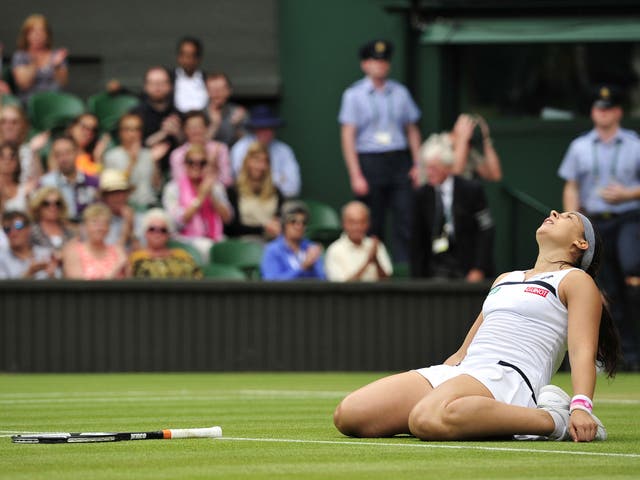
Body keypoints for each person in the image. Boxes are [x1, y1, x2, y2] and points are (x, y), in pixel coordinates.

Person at [334, 210, 620, 443]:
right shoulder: (504, 278)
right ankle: (463, 415)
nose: (555, 213)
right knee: (349, 415)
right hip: (467, 372)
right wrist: (445, 375)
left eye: (568, 218)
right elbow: (465, 350)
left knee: (426, 418)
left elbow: (582, 349)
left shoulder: (576, 281)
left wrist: (582, 407)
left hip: (509, 378)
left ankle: (553, 420)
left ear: (580, 245)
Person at [558, 85, 640, 370]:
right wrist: (574, 218)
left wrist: (628, 194)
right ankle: (618, 354)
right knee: (606, 288)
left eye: (607, 109)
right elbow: (572, 186)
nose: (601, 114)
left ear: (617, 112)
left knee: (631, 270)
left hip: (629, 218)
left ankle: (633, 348)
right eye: (597, 109)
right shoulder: (580, 146)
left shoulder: (633, 144)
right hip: (594, 221)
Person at [338, 39, 422, 262]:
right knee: (372, 221)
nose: (380, 65)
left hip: (398, 160)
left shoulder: (400, 93)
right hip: (370, 161)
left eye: (384, 61)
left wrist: (418, 163)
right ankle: (373, 269)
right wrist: (355, 174)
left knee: (406, 218)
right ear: (365, 65)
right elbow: (348, 136)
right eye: (375, 61)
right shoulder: (353, 95)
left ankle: (406, 270)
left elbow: (411, 129)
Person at [410, 135, 495, 282]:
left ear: (447, 167)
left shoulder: (471, 190)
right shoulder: (422, 195)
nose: (429, 173)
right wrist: (418, 278)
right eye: (427, 168)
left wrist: (478, 268)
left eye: (434, 168)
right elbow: (417, 239)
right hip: (436, 267)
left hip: (468, 265)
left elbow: (486, 230)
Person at [162, 144, 233, 262]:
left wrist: (211, 196)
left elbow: (227, 218)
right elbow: (178, 221)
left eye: (202, 163)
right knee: (207, 247)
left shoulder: (215, 186)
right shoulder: (173, 188)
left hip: (215, 238)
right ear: (184, 164)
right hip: (185, 241)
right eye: (191, 162)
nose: (196, 166)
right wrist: (200, 197)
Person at [230, 105, 301, 198]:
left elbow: (293, 188)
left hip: (278, 202)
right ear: (253, 129)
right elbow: (242, 184)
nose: (267, 132)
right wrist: (279, 178)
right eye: (261, 128)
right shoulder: (240, 148)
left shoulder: (284, 150)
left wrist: (262, 180)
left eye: (270, 128)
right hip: (247, 202)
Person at [225, 141, 283, 242]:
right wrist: (263, 228)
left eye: (264, 161)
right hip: (245, 244)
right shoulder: (234, 191)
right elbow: (231, 229)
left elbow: (281, 219)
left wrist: (278, 225)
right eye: (256, 160)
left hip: (272, 242)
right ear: (247, 162)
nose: (260, 166)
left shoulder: (276, 191)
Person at [420, 114, 502, 184]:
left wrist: (486, 140)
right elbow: (454, 177)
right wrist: (463, 139)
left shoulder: (469, 151)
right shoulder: (436, 145)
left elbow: (495, 175)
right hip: (433, 199)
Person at [103, 113, 161, 210]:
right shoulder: (111, 156)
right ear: (120, 132)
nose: (132, 134)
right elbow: (115, 190)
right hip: (126, 208)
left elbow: (157, 187)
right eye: (128, 129)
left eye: (136, 129)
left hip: (150, 206)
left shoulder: (149, 154)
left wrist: (155, 163)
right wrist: (132, 161)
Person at [130, 66, 182, 175]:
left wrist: (178, 134)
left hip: (177, 172)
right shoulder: (135, 115)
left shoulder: (179, 114)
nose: (158, 87)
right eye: (153, 83)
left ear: (170, 86)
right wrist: (163, 133)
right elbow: (129, 147)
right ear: (145, 87)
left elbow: (191, 147)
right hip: (142, 170)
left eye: (162, 83)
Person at [325, 200, 392, 281]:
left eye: (362, 222)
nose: (357, 227)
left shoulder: (376, 246)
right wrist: (367, 262)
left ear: (368, 224)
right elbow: (342, 288)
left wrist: (376, 261)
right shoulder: (334, 250)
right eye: (352, 222)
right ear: (343, 223)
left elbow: (387, 281)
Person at [39, 135, 99, 222]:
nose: (63, 158)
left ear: (77, 152)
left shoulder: (92, 182)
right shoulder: (46, 183)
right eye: (58, 154)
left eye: (68, 153)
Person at [128, 208, 202, 279]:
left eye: (163, 230)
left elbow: (198, 279)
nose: (157, 234)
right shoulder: (136, 258)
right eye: (152, 229)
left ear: (168, 234)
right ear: (145, 232)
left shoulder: (182, 255)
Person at [11, 14, 69, 104]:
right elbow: (24, 85)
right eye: (33, 32)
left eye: (42, 32)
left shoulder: (56, 55)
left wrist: (57, 66)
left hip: (54, 100)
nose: (38, 36)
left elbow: (63, 83)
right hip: (29, 102)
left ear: (48, 35)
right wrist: (34, 63)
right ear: (26, 36)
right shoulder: (20, 56)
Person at [260, 201, 325, 280]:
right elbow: (271, 282)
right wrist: (303, 267)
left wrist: (312, 267)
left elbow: (322, 280)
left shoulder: (311, 249)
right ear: (284, 224)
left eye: (303, 223)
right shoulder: (273, 250)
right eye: (293, 222)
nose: (299, 226)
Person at [62, 202, 127, 280]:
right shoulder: (74, 251)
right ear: (85, 225)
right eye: (94, 222)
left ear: (109, 228)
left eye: (104, 223)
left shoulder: (117, 251)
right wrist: (117, 267)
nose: (99, 228)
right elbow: (78, 286)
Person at [169, 110, 232, 186]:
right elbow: (178, 182)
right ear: (185, 130)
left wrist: (213, 170)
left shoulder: (220, 149)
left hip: (214, 193)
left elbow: (227, 181)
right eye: (191, 127)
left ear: (206, 128)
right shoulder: (177, 154)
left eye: (199, 126)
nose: (196, 131)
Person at [0, 210, 59, 279]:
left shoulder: (46, 254)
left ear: (29, 228)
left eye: (18, 226)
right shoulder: (1, 258)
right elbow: (4, 288)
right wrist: (30, 273)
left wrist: (52, 276)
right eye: (7, 229)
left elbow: (62, 283)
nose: (13, 232)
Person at [0, 104, 46, 183]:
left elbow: (39, 184)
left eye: (14, 122)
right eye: (3, 122)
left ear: (22, 126)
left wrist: (33, 153)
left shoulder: (29, 150)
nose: (9, 127)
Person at [204, 72, 247, 147]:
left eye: (221, 89)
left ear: (229, 91)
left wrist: (236, 127)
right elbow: (196, 147)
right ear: (207, 92)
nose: (217, 93)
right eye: (213, 89)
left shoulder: (238, 113)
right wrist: (214, 126)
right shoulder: (199, 114)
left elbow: (248, 145)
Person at [98, 169, 137, 250]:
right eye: (113, 193)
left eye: (121, 193)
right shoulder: (100, 222)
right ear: (105, 198)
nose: (118, 198)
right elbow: (113, 254)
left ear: (127, 195)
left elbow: (142, 253)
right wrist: (127, 224)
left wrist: (132, 227)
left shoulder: (139, 217)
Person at [28, 186, 75, 251]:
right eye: (46, 204)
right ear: (38, 206)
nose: (53, 207)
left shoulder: (69, 230)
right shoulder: (30, 231)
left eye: (57, 203)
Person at [171, 37, 208, 114]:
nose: (187, 60)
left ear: (198, 58)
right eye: (184, 55)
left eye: (192, 56)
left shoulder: (207, 79)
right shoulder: (170, 78)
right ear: (179, 57)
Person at [0, 142, 32, 212]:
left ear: (17, 162)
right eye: (2, 156)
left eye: (12, 157)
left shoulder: (25, 190)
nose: (7, 161)